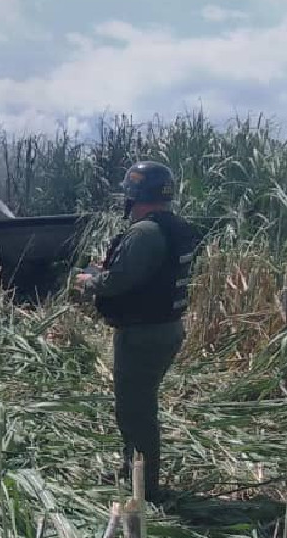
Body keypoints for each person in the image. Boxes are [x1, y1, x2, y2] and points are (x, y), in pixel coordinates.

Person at [74, 161, 201, 500]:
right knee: (135, 405)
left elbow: (117, 282)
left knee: (136, 411)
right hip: (164, 329)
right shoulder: (172, 227)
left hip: (143, 335)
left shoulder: (144, 232)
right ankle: (133, 471)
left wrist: (88, 281)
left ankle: (144, 489)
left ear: (133, 195)